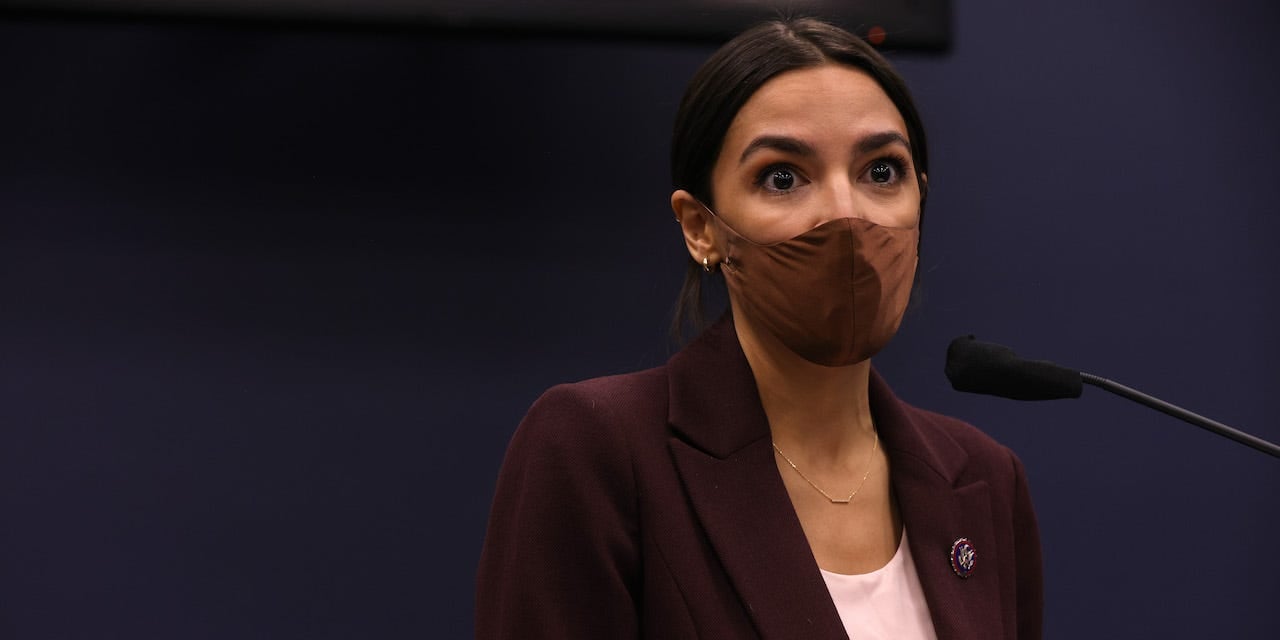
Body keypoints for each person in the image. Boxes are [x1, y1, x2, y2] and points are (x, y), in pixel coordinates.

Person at [475, 17, 1042, 640]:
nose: (845, 214)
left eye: (881, 171)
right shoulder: (599, 450)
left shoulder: (984, 478)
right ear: (701, 227)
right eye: (783, 178)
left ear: (921, 197)